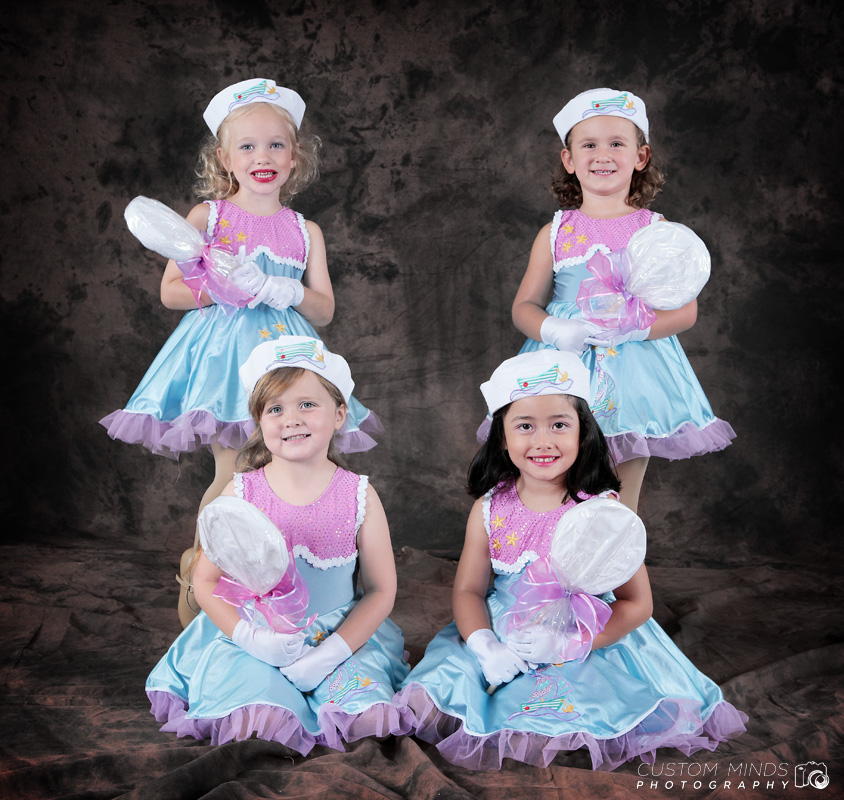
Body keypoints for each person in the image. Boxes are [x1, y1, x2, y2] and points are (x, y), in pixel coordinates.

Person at [99, 78, 380, 624]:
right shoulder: (208, 218)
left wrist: (283, 289)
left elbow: (324, 309)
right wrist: (222, 286)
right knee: (236, 471)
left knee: (282, 468)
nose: (262, 157)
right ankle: (202, 572)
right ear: (225, 159)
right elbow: (171, 292)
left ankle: (270, 580)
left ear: (294, 157)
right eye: (247, 147)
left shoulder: (305, 230)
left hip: (286, 361)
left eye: (276, 145)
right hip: (223, 364)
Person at [397, 350, 746, 771]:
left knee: (552, 715)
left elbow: (638, 603)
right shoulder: (489, 509)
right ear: (502, 437)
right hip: (504, 633)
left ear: (584, 432)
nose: (543, 441)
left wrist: (571, 643)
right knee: (433, 694)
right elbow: (469, 590)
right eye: (525, 426)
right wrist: (484, 645)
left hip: (585, 637)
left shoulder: (603, 512)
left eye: (559, 425)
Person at [145, 336, 408, 752]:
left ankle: (333, 679)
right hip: (256, 636)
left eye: (308, 404)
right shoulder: (242, 492)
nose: (291, 419)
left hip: (337, 636)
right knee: (260, 718)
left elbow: (381, 591)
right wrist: (252, 639)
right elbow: (206, 581)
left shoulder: (359, 495)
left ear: (340, 414)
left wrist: (330, 654)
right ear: (259, 422)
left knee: (367, 719)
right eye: (275, 408)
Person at [509, 88, 734, 512]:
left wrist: (633, 329)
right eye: (589, 145)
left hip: (634, 377)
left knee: (619, 495)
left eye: (617, 144)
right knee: (556, 481)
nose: (603, 155)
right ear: (569, 160)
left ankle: (615, 548)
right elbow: (524, 307)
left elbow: (686, 310)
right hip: (564, 369)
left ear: (640, 157)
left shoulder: (657, 230)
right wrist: (554, 329)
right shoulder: (555, 232)